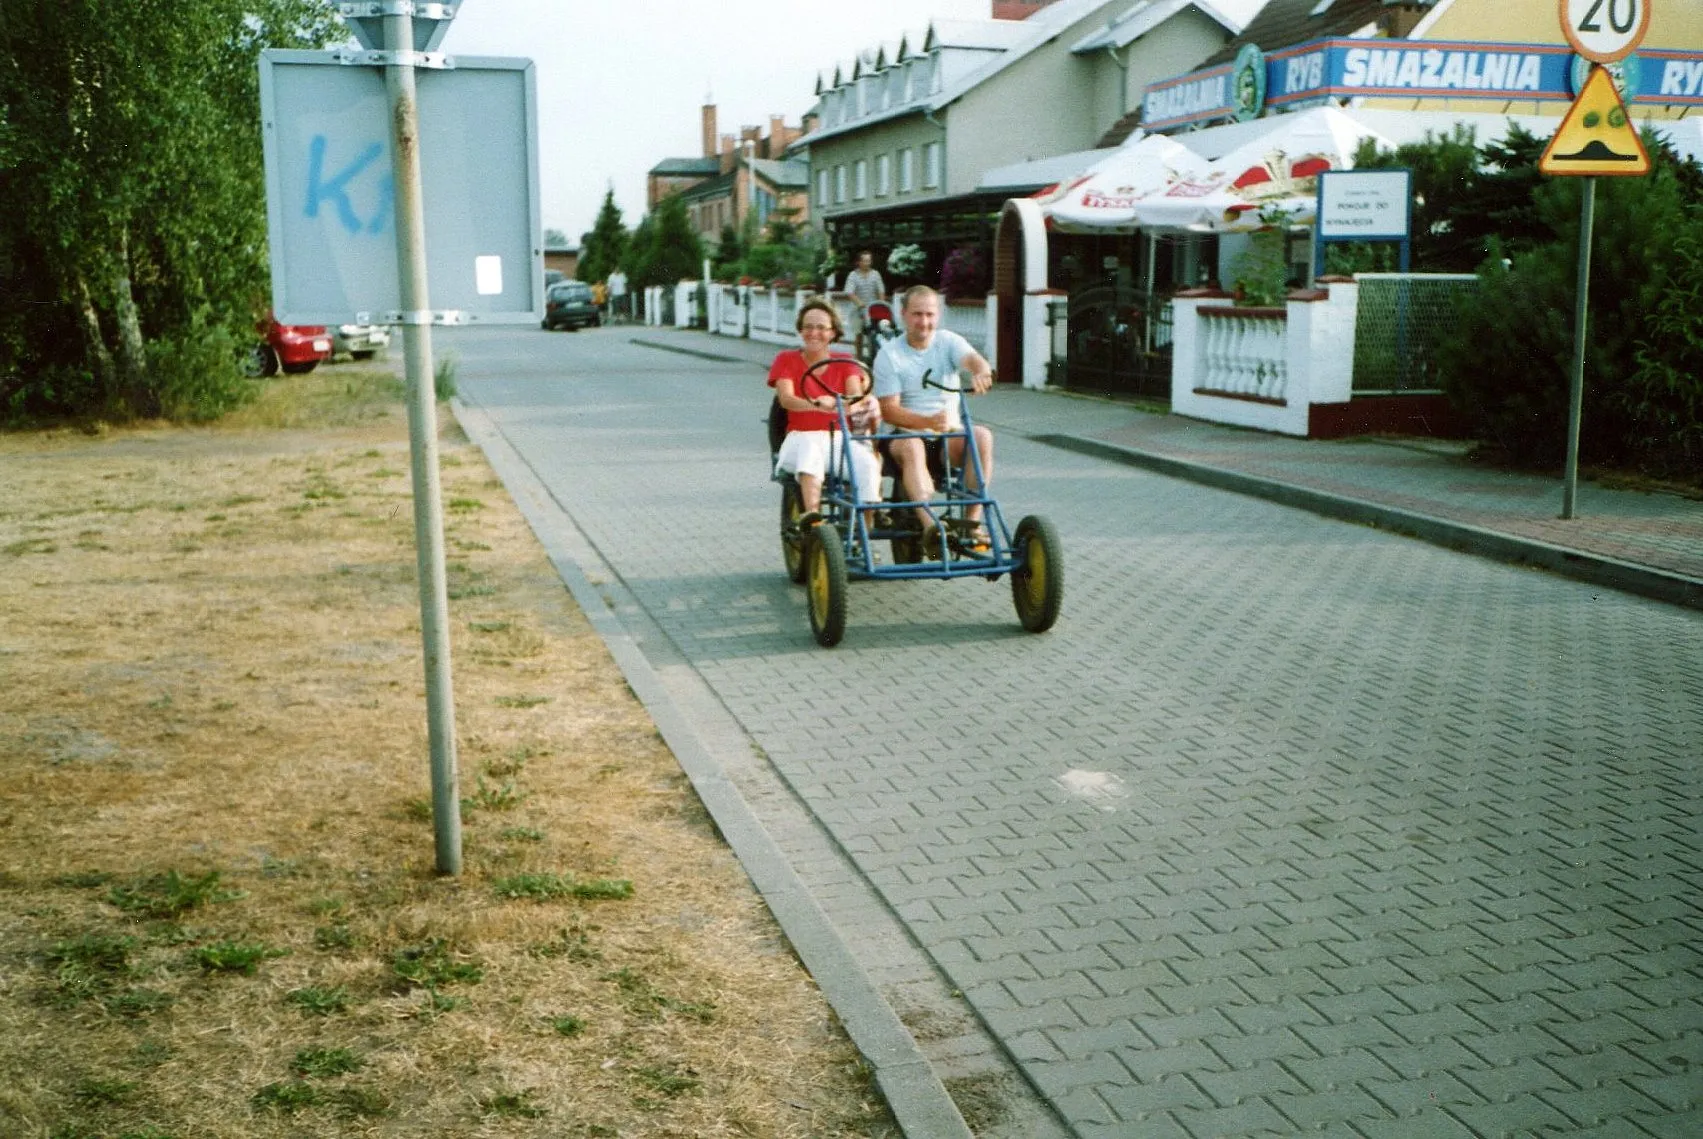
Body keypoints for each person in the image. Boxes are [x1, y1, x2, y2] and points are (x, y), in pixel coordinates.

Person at [872, 286, 995, 554]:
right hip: (901, 436)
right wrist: (925, 421)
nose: (924, 322)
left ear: (938, 316)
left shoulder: (948, 341)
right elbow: (889, 411)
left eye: (930, 314)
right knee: (913, 445)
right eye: (917, 314)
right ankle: (932, 529)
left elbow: (974, 360)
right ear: (903, 315)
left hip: (946, 437)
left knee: (982, 436)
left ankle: (971, 523)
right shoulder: (889, 355)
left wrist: (981, 371)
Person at [768, 297, 883, 525]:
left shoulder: (845, 361)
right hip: (799, 438)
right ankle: (813, 518)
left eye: (821, 327)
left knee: (868, 464)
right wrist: (818, 405)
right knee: (810, 448)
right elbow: (787, 399)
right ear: (800, 330)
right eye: (808, 327)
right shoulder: (787, 359)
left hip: (839, 440)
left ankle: (865, 529)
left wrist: (837, 403)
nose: (814, 333)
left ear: (832, 333)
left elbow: (856, 398)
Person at [842, 250, 886, 360]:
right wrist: (859, 302)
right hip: (858, 309)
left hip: (873, 309)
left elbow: (881, 291)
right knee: (859, 333)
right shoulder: (853, 275)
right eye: (865, 261)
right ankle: (859, 357)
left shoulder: (875, 274)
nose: (867, 263)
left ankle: (875, 357)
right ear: (859, 262)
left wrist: (881, 304)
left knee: (876, 333)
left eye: (869, 261)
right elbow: (849, 292)